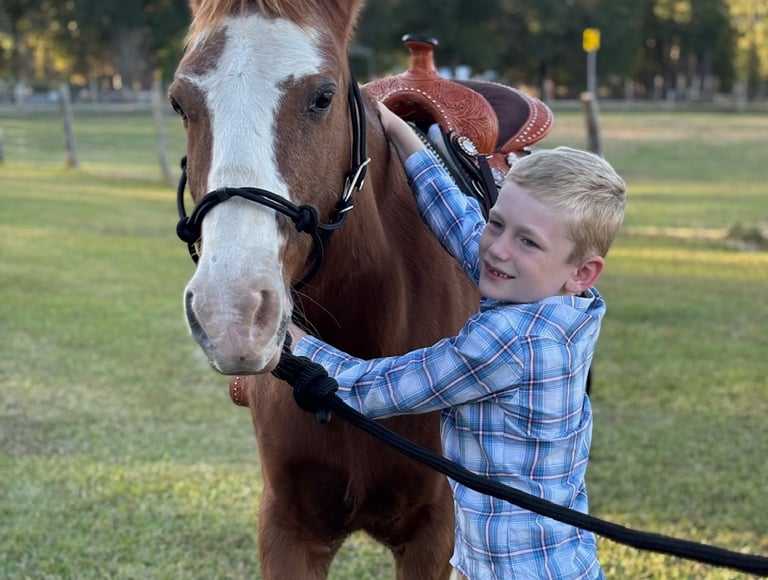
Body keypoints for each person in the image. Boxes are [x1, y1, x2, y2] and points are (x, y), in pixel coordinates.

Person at [287, 103, 627, 579]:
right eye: (499, 223)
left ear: (582, 271)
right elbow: (463, 223)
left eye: (528, 241)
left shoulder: (512, 341)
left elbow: (374, 389)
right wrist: (404, 137)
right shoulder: (556, 300)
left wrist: (289, 338)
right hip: (521, 562)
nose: (500, 248)